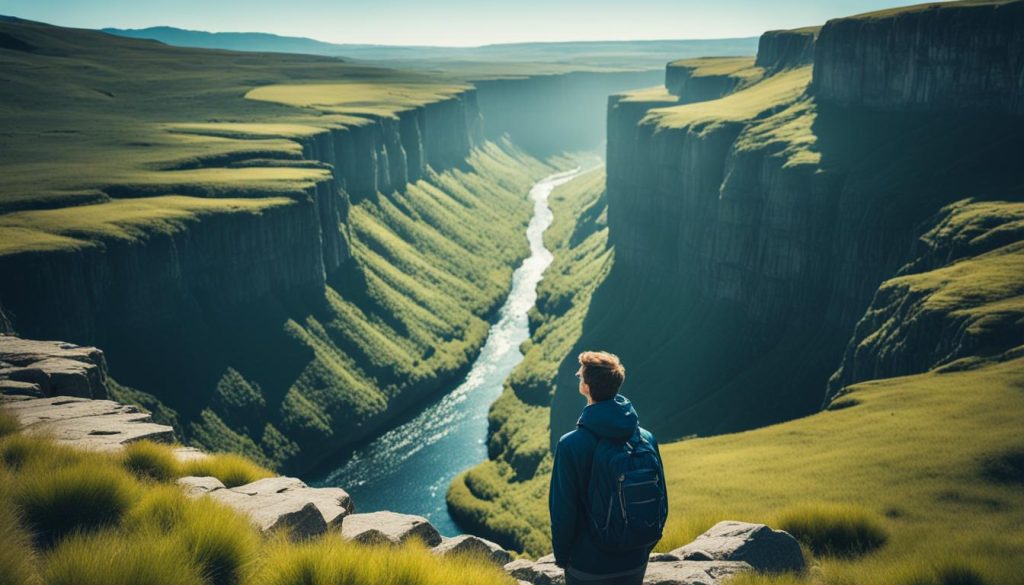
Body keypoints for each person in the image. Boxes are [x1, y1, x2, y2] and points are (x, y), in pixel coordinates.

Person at [549, 351, 667, 585]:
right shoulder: (646, 438)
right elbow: (661, 499)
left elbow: (562, 512)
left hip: (589, 566)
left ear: (586, 386)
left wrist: (564, 559)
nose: (578, 378)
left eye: (580, 375)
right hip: (636, 561)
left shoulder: (570, 445)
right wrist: (640, 549)